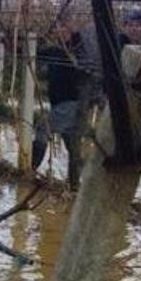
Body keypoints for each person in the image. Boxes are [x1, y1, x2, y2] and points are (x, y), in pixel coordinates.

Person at [32, 24, 88, 189]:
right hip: (61, 103)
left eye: (64, 29)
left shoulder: (78, 51)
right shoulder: (55, 51)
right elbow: (34, 53)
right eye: (57, 29)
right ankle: (79, 183)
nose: (59, 32)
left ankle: (30, 170)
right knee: (72, 144)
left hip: (71, 103)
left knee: (43, 127)